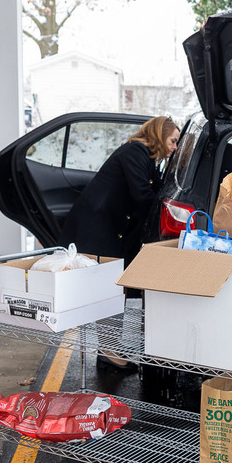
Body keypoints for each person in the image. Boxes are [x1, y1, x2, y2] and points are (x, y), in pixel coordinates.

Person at [57, 116, 180, 372]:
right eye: (173, 141)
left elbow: (152, 189)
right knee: (108, 287)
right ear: (159, 135)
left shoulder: (146, 159)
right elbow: (142, 195)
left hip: (110, 227)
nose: (175, 147)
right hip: (98, 227)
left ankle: (110, 348)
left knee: (113, 287)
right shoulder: (134, 152)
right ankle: (108, 351)